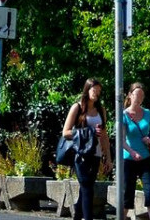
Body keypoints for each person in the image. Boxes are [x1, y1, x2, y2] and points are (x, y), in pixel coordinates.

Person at [62, 79, 112, 220]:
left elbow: (104, 136)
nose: (96, 94)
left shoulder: (101, 110)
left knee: (86, 189)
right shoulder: (77, 108)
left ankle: (77, 217)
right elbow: (65, 132)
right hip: (80, 154)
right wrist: (88, 131)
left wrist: (108, 157)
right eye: (94, 90)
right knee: (87, 188)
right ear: (87, 90)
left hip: (95, 154)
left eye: (99, 91)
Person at [120, 81, 150, 220]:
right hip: (129, 159)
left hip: (146, 158)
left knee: (149, 191)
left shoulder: (148, 113)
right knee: (128, 193)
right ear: (130, 95)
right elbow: (121, 140)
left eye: (142, 95)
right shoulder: (123, 115)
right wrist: (132, 152)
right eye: (137, 94)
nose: (140, 98)